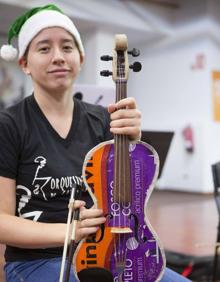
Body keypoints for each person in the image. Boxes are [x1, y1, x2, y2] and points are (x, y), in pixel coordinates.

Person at [0, 4, 191, 282]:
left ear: (81, 57)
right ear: (24, 64)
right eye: (44, 49)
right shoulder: (9, 125)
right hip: (36, 261)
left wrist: (132, 144)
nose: (58, 57)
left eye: (67, 47)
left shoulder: (103, 118)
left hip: (109, 251)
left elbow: (124, 198)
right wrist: (71, 232)